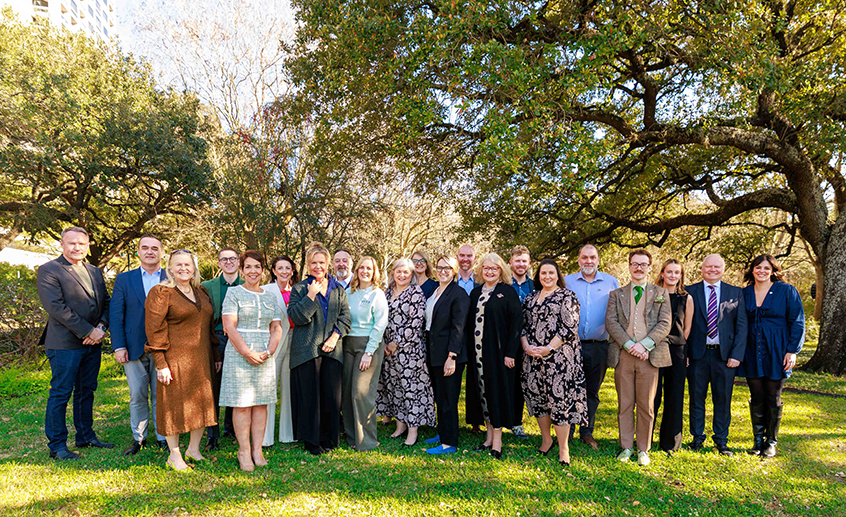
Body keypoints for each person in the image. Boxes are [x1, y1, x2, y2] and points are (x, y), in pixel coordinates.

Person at [36, 226, 113, 460]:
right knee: (61, 393)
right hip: (64, 344)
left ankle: (86, 436)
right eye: (71, 243)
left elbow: (106, 302)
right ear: (62, 244)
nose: (77, 247)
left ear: (87, 245)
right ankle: (57, 445)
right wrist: (88, 331)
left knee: (86, 391)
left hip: (93, 343)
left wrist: (100, 328)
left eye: (81, 243)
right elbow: (56, 307)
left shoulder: (95, 271)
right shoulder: (49, 270)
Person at [145, 250, 221, 471]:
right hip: (174, 359)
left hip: (202, 358)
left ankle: (193, 449)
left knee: (201, 404)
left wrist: (215, 356)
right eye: (178, 265)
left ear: (194, 268)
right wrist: (161, 363)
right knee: (173, 406)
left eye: (187, 264)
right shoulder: (161, 292)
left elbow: (209, 328)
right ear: (170, 268)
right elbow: (154, 330)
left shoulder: (201, 292)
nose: (183, 268)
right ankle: (174, 454)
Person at [605, 249, 672, 466]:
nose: (638, 268)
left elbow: (665, 323)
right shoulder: (617, 294)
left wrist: (644, 345)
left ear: (650, 267)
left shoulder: (661, 293)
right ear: (629, 266)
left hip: (649, 356)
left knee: (646, 404)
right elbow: (611, 322)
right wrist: (628, 344)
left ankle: (643, 448)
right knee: (625, 403)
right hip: (623, 355)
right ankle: (626, 447)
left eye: (643, 264)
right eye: (634, 264)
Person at [219, 251, 284, 470]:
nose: (253, 271)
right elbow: (229, 326)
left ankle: (258, 450)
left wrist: (269, 350)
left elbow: (276, 327)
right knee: (243, 405)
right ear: (241, 270)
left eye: (257, 267)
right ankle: (244, 451)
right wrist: (247, 352)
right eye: (248, 267)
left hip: (265, 354)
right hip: (240, 355)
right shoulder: (234, 293)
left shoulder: (269, 296)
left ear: (263, 270)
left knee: (260, 404)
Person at [520, 259, 588, 467]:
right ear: (538, 276)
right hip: (533, 358)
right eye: (543, 273)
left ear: (558, 275)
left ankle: (563, 447)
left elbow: (569, 327)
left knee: (559, 400)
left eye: (551, 273)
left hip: (559, 359)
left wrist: (549, 348)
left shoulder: (567, 296)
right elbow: (521, 326)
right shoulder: (530, 298)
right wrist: (526, 347)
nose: (547, 276)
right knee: (539, 399)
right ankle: (546, 439)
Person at [288, 242, 352, 455]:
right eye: (313, 263)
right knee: (310, 397)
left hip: (333, 349)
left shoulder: (338, 289)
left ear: (328, 264)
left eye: (321, 263)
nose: (318, 266)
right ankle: (312, 441)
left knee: (331, 396)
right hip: (307, 350)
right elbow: (297, 317)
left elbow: (345, 318)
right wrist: (311, 296)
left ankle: (329, 438)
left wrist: (335, 336)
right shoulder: (299, 288)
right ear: (308, 265)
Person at [738, 254, 804, 458]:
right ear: (752, 270)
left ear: (773, 271)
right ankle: (758, 440)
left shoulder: (786, 290)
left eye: (766, 268)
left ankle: (771, 441)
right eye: (758, 267)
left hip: (777, 350)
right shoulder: (745, 293)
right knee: (756, 395)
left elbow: (798, 321)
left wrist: (792, 351)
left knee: (773, 396)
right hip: (752, 349)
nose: (762, 271)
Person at [110, 234, 168, 455]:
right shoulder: (125, 279)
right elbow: (116, 315)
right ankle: (139, 438)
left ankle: (163, 436)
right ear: (138, 252)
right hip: (133, 346)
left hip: (164, 348)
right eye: (145, 247)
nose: (150, 251)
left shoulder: (171, 278)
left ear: (161, 252)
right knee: (137, 395)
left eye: (155, 248)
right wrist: (119, 346)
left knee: (162, 395)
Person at [687, 254, 748, 456]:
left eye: (717, 266)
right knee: (697, 398)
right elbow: (683, 325)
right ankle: (697, 438)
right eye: (708, 266)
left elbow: (741, 327)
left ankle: (721, 440)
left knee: (722, 399)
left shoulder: (735, 292)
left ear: (723, 269)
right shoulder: (689, 291)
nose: (712, 270)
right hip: (697, 355)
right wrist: (685, 353)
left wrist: (736, 355)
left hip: (725, 356)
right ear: (702, 268)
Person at [465, 253, 522, 459]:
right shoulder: (475, 293)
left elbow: (517, 324)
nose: (489, 271)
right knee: (483, 394)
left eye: (494, 268)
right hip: (477, 355)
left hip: (498, 354)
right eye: (486, 268)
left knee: (496, 394)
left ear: (501, 271)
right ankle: (488, 438)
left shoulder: (507, 292)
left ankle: (497, 442)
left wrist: (510, 353)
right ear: (480, 270)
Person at [563, 244, 620, 449]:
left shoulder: (611, 282)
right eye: (585, 257)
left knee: (592, 391)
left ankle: (586, 431)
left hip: (598, 346)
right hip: (570, 345)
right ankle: (567, 430)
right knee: (569, 389)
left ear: (598, 260)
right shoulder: (567, 281)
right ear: (578, 260)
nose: (589, 261)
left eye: (592, 257)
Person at [376, 258, 435, 446]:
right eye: (399, 271)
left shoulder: (415, 293)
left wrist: (396, 342)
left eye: (406, 272)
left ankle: (413, 431)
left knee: (411, 390)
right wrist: (385, 343)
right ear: (393, 272)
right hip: (388, 351)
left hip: (409, 352)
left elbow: (416, 323)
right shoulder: (387, 292)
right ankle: (400, 426)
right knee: (395, 388)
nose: (402, 275)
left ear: (411, 275)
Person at [424, 255, 470, 455]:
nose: (443, 271)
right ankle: (442, 433)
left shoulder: (458, 294)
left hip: (449, 356)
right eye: (440, 267)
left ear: (455, 270)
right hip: (434, 353)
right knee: (439, 397)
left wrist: (451, 357)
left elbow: (458, 328)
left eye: (448, 268)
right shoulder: (435, 291)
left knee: (449, 399)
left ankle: (449, 443)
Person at [342, 256, 389, 451]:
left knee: (361, 393)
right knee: (346, 393)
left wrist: (369, 352)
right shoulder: (349, 292)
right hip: (347, 345)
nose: (365, 271)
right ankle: (352, 437)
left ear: (374, 271)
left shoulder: (377, 294)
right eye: (361, 267)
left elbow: (380, 325)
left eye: (369, 268)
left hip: (369, 346)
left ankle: (367, 441)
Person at [200, 247, 244, 450]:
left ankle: (231, 428)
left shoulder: (246, 285)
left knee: (236, 385)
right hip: (216, 339)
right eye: (224, 259)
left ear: (238, 262)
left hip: (240, 340)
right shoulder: (207, 287)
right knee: (214, 387)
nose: (228, 262)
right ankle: (212, 435)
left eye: (232, 258)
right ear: (218, 263)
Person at [653, 259, 694, 454]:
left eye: (676, 272)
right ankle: (645, 439)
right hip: (653, 348)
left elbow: (686, 328)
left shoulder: (687, 298)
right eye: (669, 272)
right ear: (662, 273)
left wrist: (680, 348)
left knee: (674, 396)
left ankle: (670, 443)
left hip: (677, 350)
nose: (672, 276)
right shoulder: (651, 294)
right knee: (652, 396)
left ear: (680, 275)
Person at [260, 255, 298, 446]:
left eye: (287, 268)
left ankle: (287, 433)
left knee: (289, 388)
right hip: (274, 341)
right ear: (274, 271)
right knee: (269, 388)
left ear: (292, 271)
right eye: (280, 268)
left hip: (294, 340)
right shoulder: (266, 290)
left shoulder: (298, 291)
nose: (284, 271)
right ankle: (265, 437)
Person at [508, 245, 533, 439]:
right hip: (506, 341)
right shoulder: (503, 286)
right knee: (505, 381)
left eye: (524, 261)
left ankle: (517, 422)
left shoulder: (534, 286)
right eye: (517, 260)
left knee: (521, 384)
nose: (521, 264)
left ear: (529, 263)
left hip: (529, 342)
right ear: (510, 263)